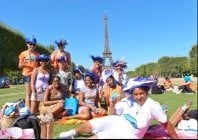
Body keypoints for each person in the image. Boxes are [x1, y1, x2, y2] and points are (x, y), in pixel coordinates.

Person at [59, 77, 179, 139]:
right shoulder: (128, 100)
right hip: (118, 121)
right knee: (91, 124)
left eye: (141, 94)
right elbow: (112, 114)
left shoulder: (153, 105)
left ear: (147, 92)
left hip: (130, 133)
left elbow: (165, 123)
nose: (138, 97)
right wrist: (113, 104)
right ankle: (73, 132)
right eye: (136, 94)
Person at [18, 37, 40, 108]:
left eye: (33, 44)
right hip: (27, 75)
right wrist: (27, 64)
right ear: (27, 44)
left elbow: (40, 65)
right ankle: (27, 109)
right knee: (28, 93)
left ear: (35, 45)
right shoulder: (23, 53)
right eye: (30, 44)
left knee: (35, 92)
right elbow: (20, 66)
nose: (32, 46)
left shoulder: (38, 54)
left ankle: (34, 109)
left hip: (35, 75)